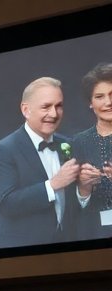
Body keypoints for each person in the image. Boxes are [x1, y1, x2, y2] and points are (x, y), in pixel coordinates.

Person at [0, 77, 81, 249]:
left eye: (58, 106)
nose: (54, 113)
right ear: (26, 110)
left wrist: (86, 188)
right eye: (46, 106)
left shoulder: (67, 144)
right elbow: (7, 204)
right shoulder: (4, 150)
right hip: (24, 253)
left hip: (68, 249)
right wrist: (53, 185)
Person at [72, 63, 112, 240]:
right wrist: (84, 188)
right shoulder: (79, 141)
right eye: (99, 97)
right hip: (93, 236)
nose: (108, 102)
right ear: (90, 103)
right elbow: (74, 205)